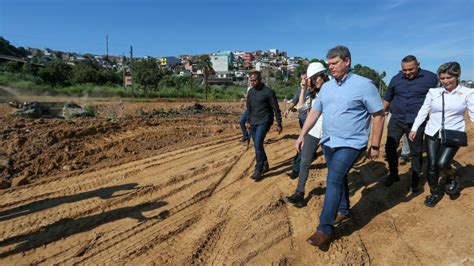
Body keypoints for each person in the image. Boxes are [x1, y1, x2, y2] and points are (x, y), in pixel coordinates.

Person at [297, 45, 385, 247]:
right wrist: (302, 135)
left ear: (347, 61)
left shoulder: (365, 85)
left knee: (334, 179)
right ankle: (343, 210)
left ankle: (324, 228)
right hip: (329, 141)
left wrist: (375, 145)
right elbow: (314, 113)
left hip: (352, 144)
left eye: (334, 63)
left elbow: (378, 116)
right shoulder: (326, 88)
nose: (331, 68)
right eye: (329, 64)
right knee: (340, 176)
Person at [409, 62, 474, 207]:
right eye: (442, 78)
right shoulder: (434, 92)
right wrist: (414, 128)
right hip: (432, 132)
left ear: (457, 75)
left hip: (453, 133)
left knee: (442, 163)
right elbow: (423, 110)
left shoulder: (468, 93)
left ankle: (451, 176)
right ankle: (434, 193)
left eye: (449, 77)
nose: (445, 81)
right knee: (432, 165)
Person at [383, 55, 438, 192]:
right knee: (390, 146)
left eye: (410, 69)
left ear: (418, 65)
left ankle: (415, 180)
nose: (407, 73)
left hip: (416, 122)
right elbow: (387, 98)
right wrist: (377, 114)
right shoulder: (396, 79)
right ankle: (393, 174)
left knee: (415, 151)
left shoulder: (431, 78)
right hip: (397, 119)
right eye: (404, 70)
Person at [284, 62, 329, 207]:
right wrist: (303, 89)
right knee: (304, 161)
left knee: (333, 166)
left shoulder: (332, 89)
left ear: (321, 76)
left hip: (330, 132)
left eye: (313, 78)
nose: (311, 81)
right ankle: (299, 193)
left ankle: (338, 199)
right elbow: (302, 107)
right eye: (310, 79)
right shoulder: (312, 92)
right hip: (314, 130)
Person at [246, 70, 283, 180]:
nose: (252, 82)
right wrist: (247, 121)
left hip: (265, 120)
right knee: (258, 145)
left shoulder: (269, 92)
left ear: (260, 79)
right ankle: (265, 164)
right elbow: (249, 108)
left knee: (257, 143)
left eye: (254, 80)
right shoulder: (251, 92)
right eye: (250, 80)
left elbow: (276, 109)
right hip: (253, 121)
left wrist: (279, 123)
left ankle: (258, 169)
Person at [283, 73, 309, 179]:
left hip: (313, 122)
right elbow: (295, 102)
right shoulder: (300, 90)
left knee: (302, 144)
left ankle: (296, 169)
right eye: (302, 78)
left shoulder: (315, 90)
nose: (303, 80)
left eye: (305, 78)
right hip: (302, 119)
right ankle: (312, 153)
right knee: (306, 142)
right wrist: (288, 109)